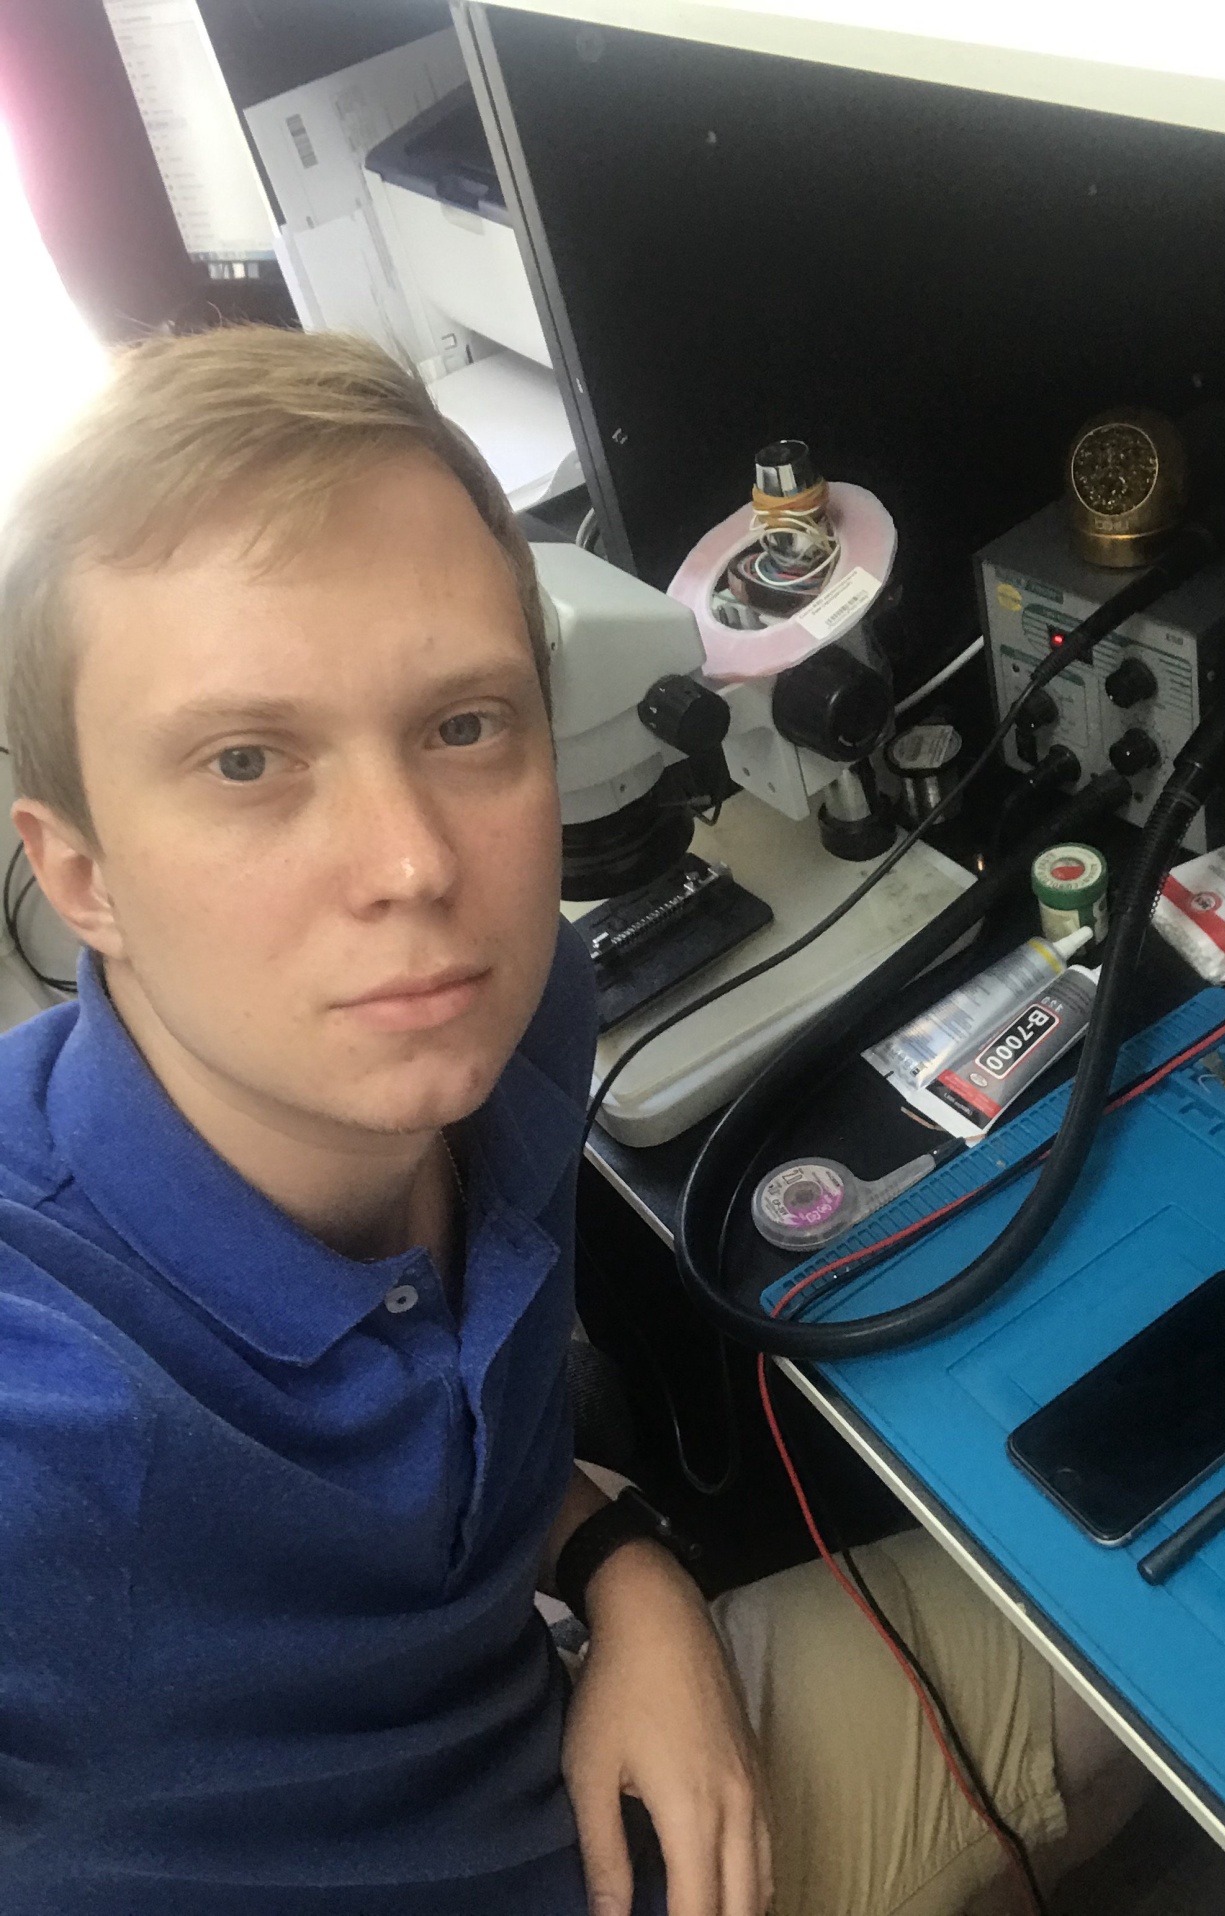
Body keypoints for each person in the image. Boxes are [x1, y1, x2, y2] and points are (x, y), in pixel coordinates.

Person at [0, 326, 1149, 1916]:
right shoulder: (48, 1425)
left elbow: (457, 1454)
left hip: (586, 1722)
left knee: (1140, 1654)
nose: (414, 863)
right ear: (81, 876)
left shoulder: (506, 1019)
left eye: (464, 724)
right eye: (248, 760)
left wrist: (629, 1575)